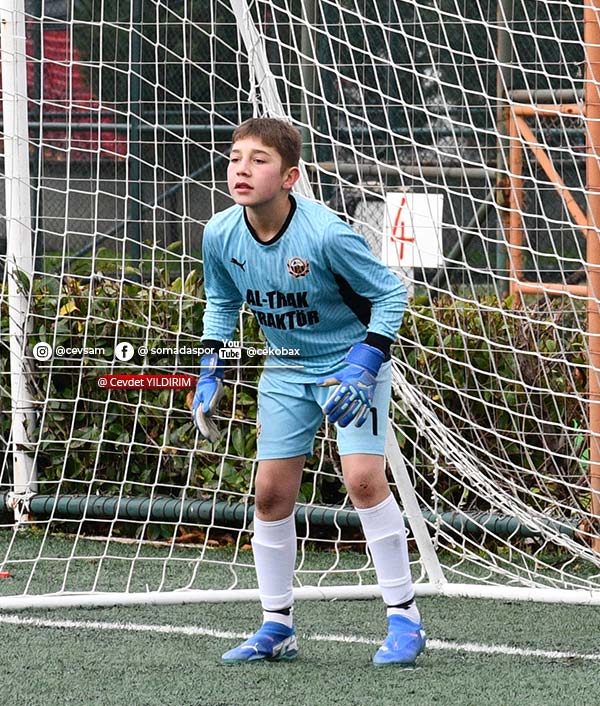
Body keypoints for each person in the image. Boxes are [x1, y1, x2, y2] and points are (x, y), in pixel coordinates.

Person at [192, 117, 426, 666]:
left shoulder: (326, 234)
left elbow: (391, 295)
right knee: (270, 495)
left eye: (259, 160)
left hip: (349, 367)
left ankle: (405, 619)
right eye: (235, 158)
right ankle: (277, 626)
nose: (242, 169)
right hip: (285, 369)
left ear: (289, 176)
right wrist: (209, 370)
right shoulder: (220, 233)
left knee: (363, 480)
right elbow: (222, 304)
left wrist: (364, 365)